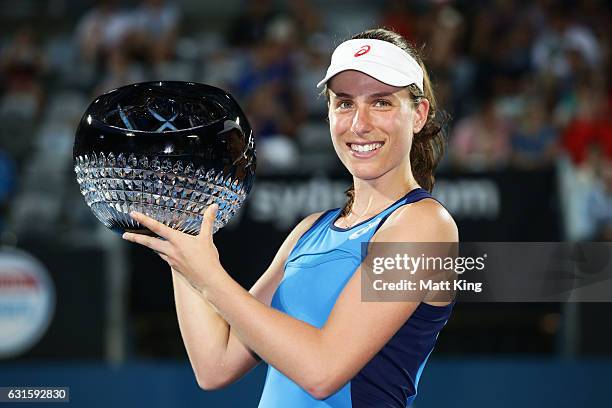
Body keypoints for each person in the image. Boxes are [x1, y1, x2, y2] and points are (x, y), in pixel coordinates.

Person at [122, 28, 458, 407]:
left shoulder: (426, 224)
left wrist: (210, 276)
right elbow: (214, 365)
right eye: (344, 103)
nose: (359, 124)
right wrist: (180, 238)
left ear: (418, 114)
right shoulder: (308, 231)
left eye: (381, 102)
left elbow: (323, 371)